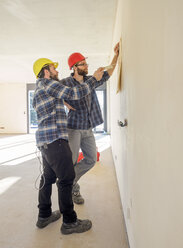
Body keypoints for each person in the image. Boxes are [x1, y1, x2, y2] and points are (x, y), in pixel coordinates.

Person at [32, 58, 104, 234]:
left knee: (47, 178)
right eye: (53, 68)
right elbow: (74, 93)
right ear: (46, 71)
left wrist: (63, 102)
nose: (57, 71)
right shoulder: (47, 83)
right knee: (66, 179)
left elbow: (62, 97)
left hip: (45, 141)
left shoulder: (40, 88)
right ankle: (70, 222)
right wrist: (94, 78)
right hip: (55, 139)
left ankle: (44, 216)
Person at [62, 43, 119, 204]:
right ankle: (73, 190)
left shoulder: (90, 80)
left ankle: (69, 182)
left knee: (91, 159)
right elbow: (53, 94)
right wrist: (64, 103)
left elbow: (109, 72)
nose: (87, 66)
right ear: (74, 67)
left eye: (86, 63)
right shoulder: (66, 82)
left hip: (88, 128)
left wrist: (116, 55)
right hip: (73, 128)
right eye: (83, 64)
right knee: (71, 161)